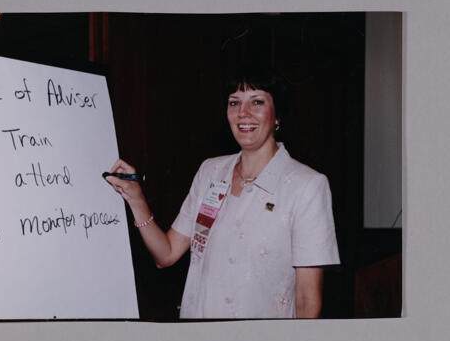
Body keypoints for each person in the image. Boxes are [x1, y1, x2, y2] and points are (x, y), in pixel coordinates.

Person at [105, 68, 340, 319]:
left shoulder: (307, 186)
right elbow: (167, 254)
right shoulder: (211, 171)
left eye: (257, 102)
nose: (243, 113)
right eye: (234, 103)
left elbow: (307, 301)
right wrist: (136, 199)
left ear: (278, 115)